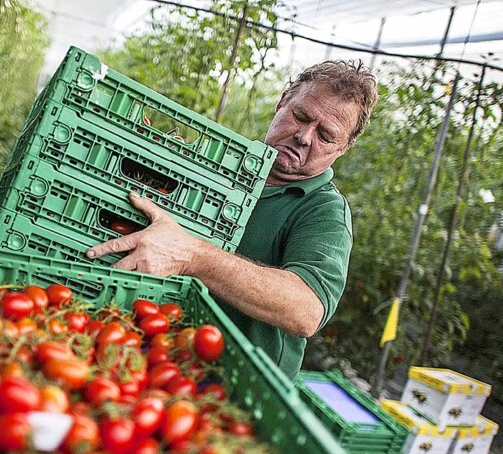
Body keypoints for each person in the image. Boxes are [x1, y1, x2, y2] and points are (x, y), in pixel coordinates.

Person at [86, 61, 379, 381]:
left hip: (234, 386)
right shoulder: (222, 166)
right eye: (301, 116)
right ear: (282, 103)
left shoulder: (324, 212)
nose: (304, 137)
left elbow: (306, 309)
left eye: (325, 135)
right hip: (154, 354)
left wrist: (193, 256)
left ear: (344, 148)